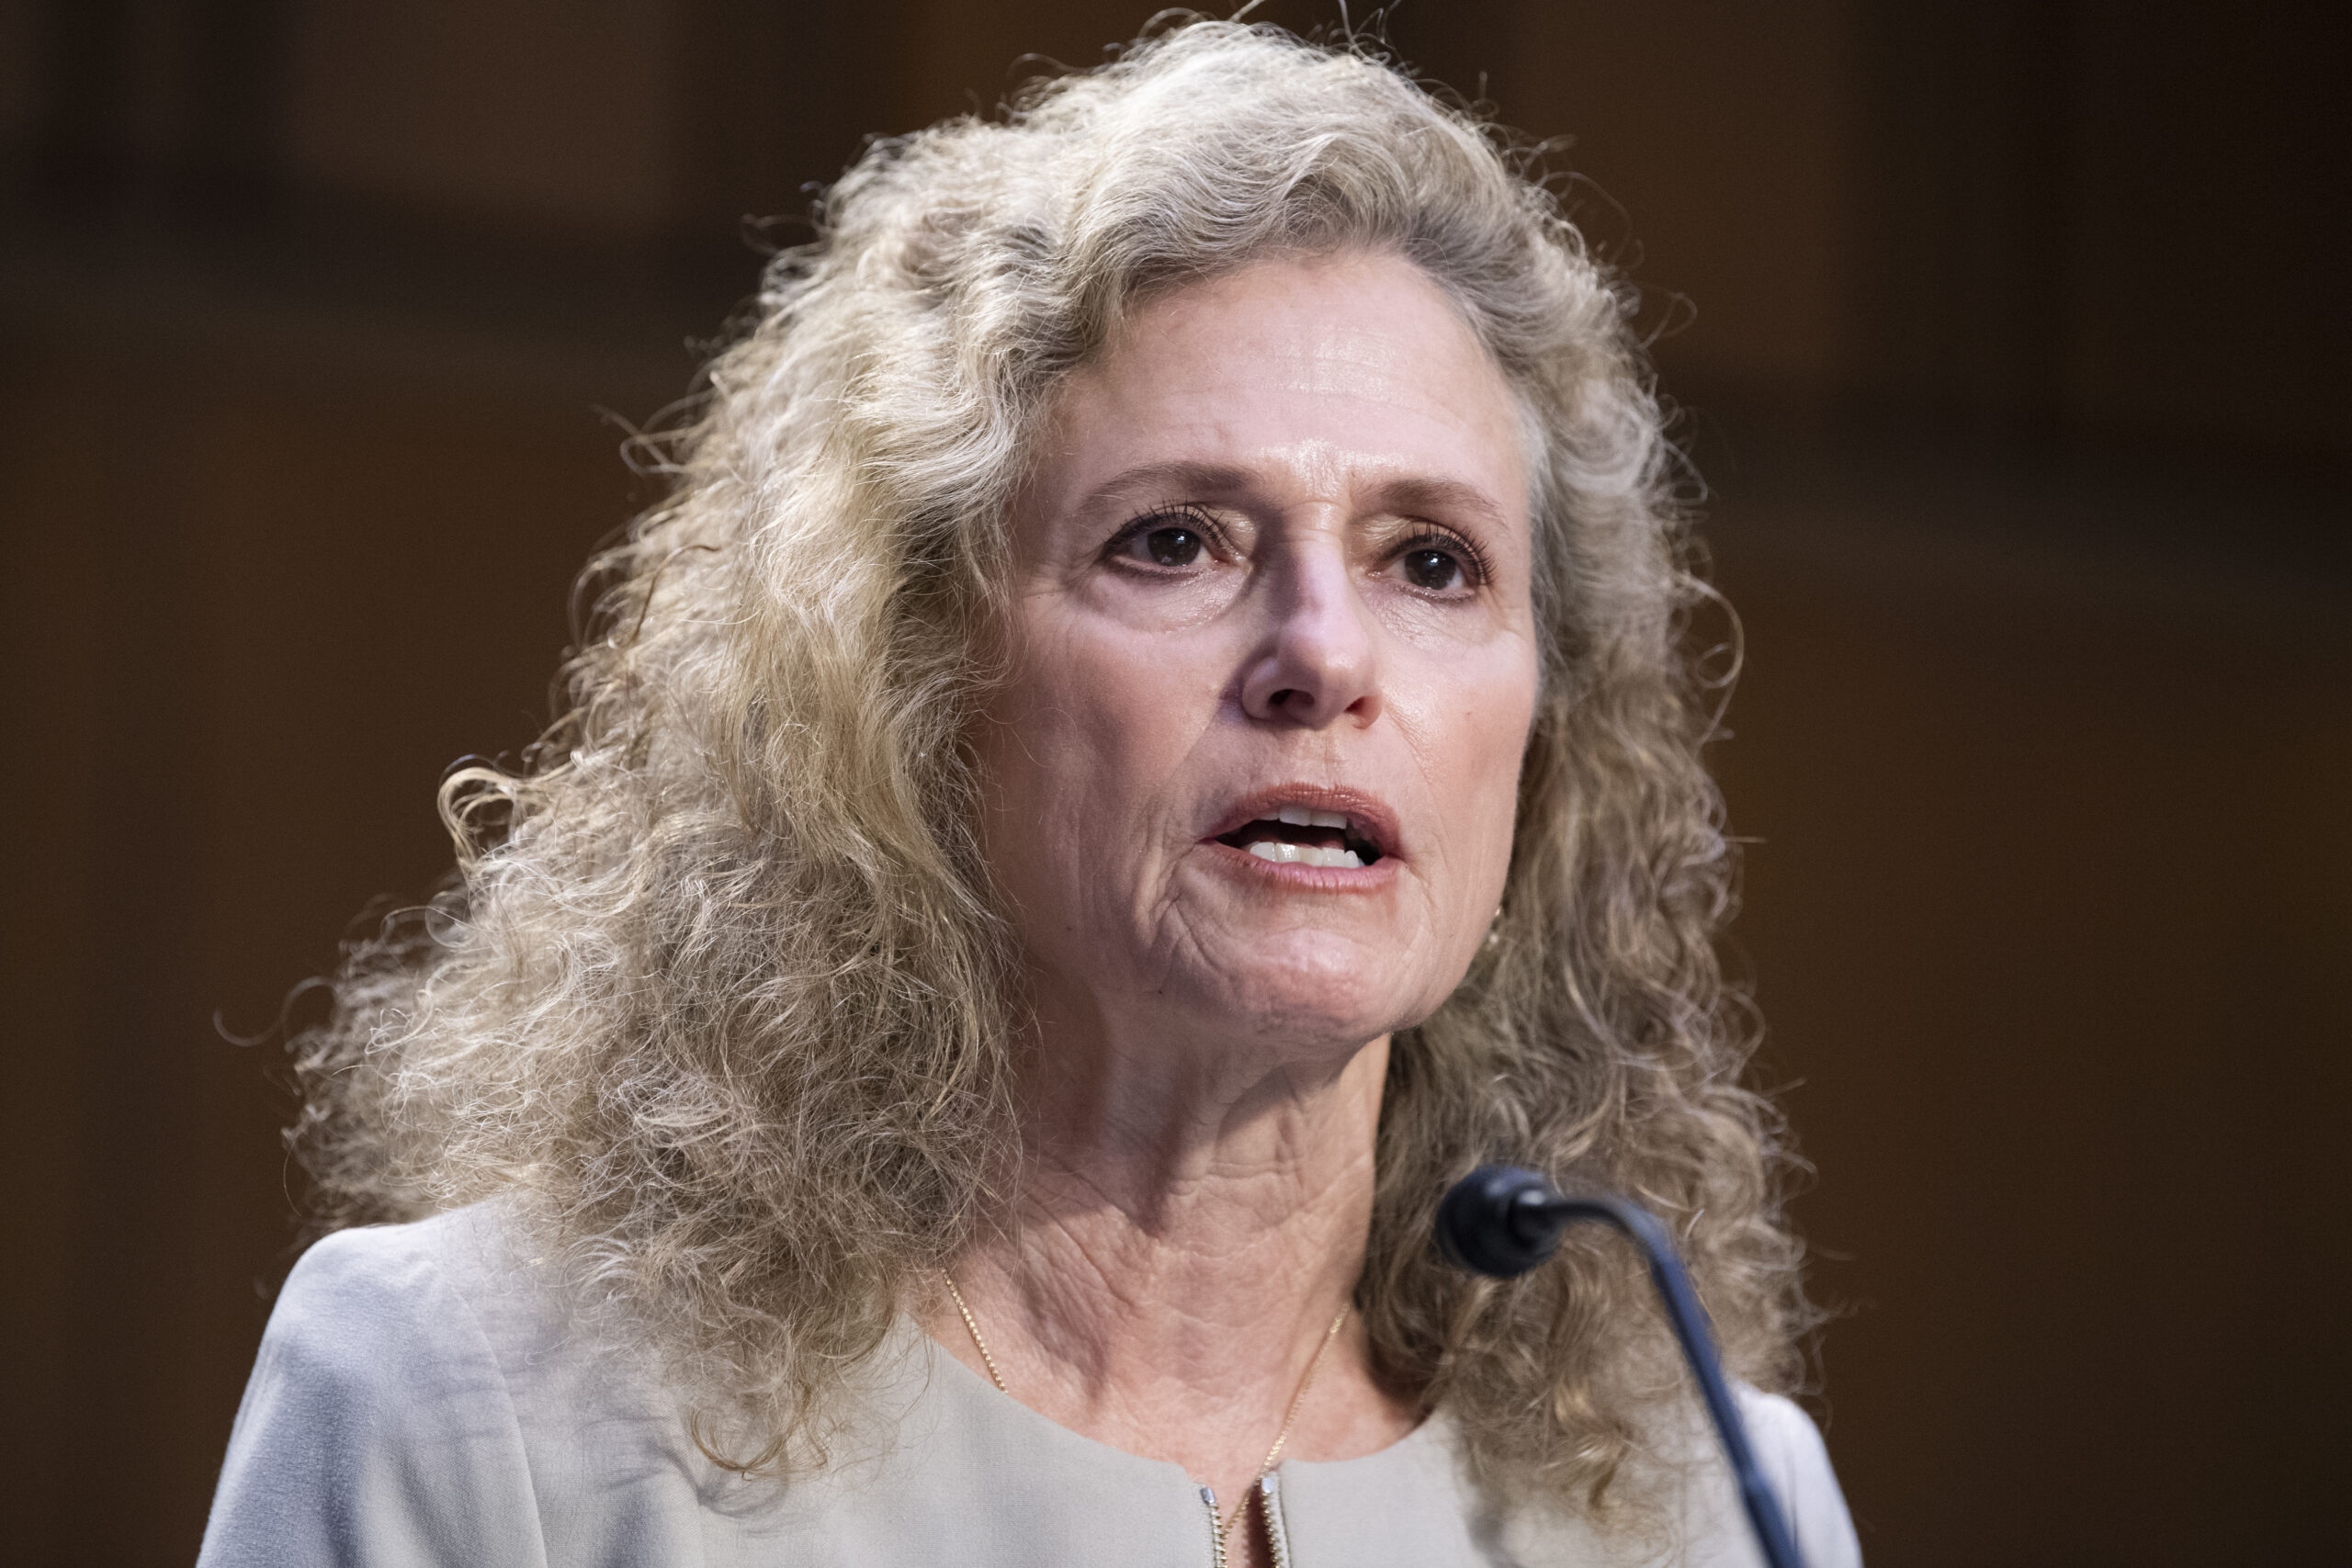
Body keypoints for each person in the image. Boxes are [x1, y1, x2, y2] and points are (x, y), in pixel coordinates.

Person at [199, 20, 1860, 1568]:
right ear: (917, 686)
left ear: (1541, 729)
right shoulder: (480, 1411)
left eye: (1432, 561)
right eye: (1176, 541)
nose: (1320, 655)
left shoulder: (1709, 1508)